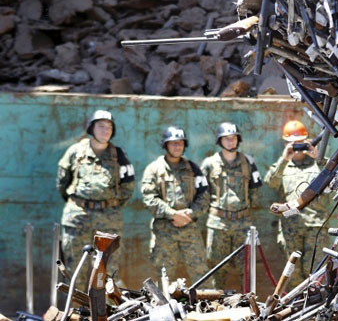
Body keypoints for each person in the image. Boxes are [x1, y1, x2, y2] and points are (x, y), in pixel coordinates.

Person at [56, 110, 134, 291]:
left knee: (108, 269)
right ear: (91, 128)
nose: (105, 130)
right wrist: (79, 203)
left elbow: (128, 187)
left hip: (109, 219)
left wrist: (109, 205)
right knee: (76, 268)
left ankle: (108, 315)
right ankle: (77, 314)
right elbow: (62, 182)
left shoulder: (119, 155)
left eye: (109, 127)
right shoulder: (75, 151)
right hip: (78, 217)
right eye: (101, 126)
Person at [264, 120, 332, 286]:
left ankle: (315, 307)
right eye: (293, 144)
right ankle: (295, 307)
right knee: (292, 273)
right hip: (291, 226)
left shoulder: (319, 165)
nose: (297, 148)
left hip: (316, 226)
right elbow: (270, 182)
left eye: (300, 143)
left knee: (316, 273)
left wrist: (319, 157)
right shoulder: (283, 166)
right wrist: (284, 159)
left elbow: (333, 179)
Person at [141, 126, 209, 283]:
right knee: (163, 275)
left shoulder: (193, 169)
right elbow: (149, 198)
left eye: (180, 143)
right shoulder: (154, 169)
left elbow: (204, 196)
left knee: (200, 272)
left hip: (189, 228)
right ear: (165, 145)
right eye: (173, 143)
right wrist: (172, 214)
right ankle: (162, 306)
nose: (177, 147)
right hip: (164, 231)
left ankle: (206, 305)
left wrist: (190, 214)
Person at [200, 122, 262, 290]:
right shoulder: (209, 163)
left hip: (243, 223)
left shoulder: (247, 162)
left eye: (233, 138)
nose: (230, 142)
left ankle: (248, 303)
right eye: (226, 139)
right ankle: (214, 303)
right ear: (220, 141)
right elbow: (201, 192)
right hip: (218, 223)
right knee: (216, 267)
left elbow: (255, 189)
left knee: (246, 266)